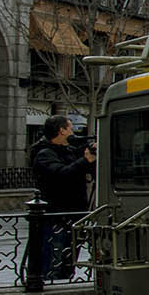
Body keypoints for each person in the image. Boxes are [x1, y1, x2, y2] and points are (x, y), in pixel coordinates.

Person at [31, 115, 96, 280]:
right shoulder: (44, 154)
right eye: (70, 128)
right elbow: (62, 175)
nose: (72, 131)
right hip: (57, 218)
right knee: (54, 263)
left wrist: (90, 158)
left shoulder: (68, 151)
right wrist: (85, 160)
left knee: (68, 263)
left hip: (74, 216)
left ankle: (64, 282)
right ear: (61, 130)